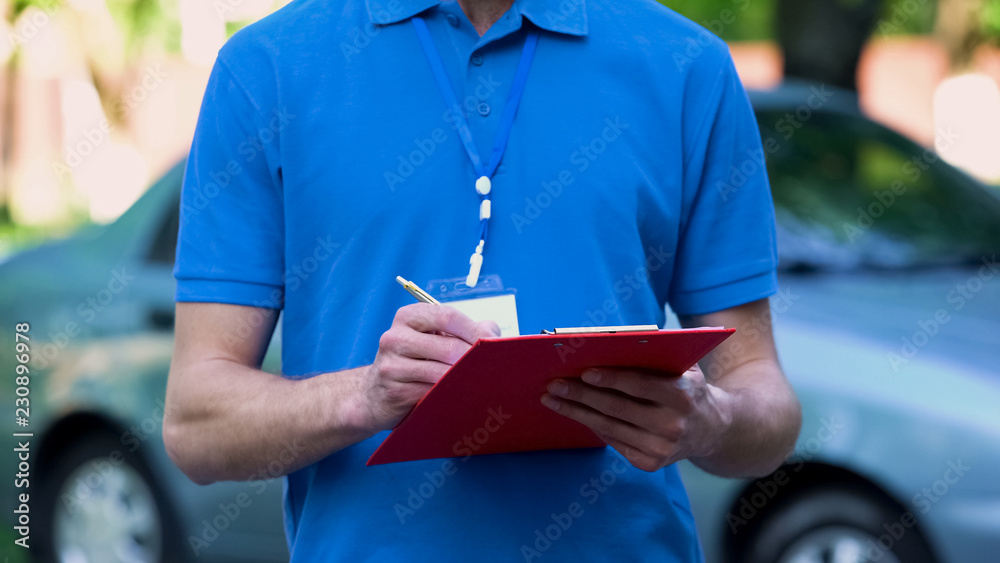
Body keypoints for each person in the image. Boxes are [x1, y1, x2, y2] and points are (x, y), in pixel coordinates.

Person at [163, 0, 802, 560]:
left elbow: (766, 406)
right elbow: (197, 428)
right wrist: (367, 396)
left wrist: (708, 423)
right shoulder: (266, 68)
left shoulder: (687, 65)